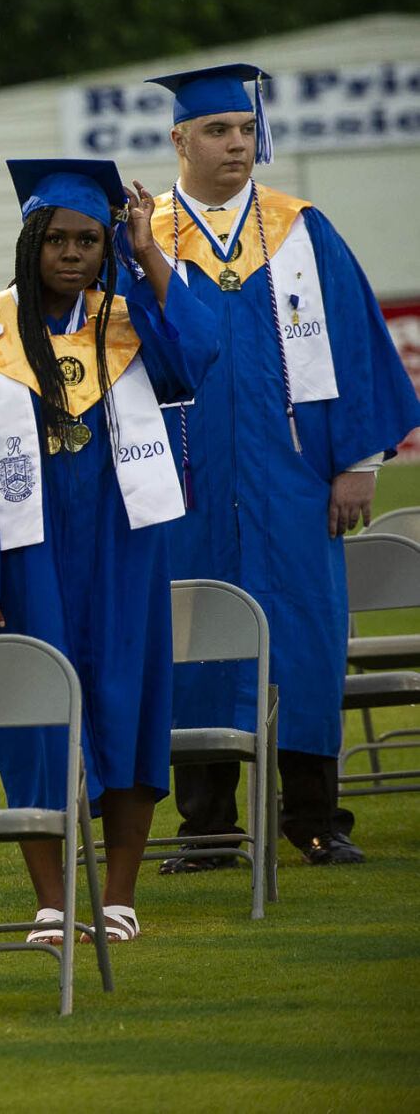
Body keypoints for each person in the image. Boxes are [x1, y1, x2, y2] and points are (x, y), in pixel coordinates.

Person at [0, 160, 220, 945]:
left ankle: (116, 894)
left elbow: (199, 356)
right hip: (20, 555)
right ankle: (48, 900)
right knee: (30, 713)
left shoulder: (131, 318)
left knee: (128, 701)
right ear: (28, 242)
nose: (71, 252)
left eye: (87, 238)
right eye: (55, 238)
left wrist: (145, 252)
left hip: (122, 543)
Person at [143, 65, 420, 869]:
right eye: (215, 131)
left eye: (242, 129)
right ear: (178, 140)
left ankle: (315, 817)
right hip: (183, 482)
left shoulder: (300, 229)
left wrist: (359, 463)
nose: (234, 144)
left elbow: (356, 343)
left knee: (302, 632)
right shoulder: (142, 237)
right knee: (192, 636)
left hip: (294, 477)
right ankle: (206, 829)